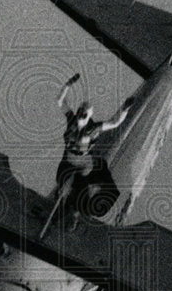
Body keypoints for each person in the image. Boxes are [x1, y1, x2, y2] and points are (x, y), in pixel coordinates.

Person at [55, 73, 130, 225]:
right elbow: (60, 101)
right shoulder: (71, 120)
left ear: (88, 116)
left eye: (84, 114)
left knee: (80, 186)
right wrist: (68, 84)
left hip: (84, 163)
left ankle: (75, 213)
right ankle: (62, 205)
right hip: (69, 159)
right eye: (79, 112)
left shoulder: (93, 129)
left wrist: (125, 109)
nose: (80, 116)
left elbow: (114, 123)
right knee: (63, 183)